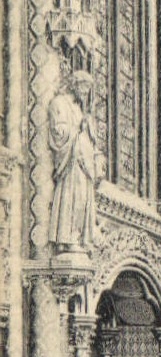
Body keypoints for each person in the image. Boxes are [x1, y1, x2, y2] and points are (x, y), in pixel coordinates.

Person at [47, 71, 97, 251]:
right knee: (72, 198)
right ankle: (67, 239)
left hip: (83, 164)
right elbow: (58, 130)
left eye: (87, 92)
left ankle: (78, 237)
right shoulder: (60, 103)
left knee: (82, 199)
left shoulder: (79, 109)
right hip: (71, 163)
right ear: (74, 85)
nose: (84, 95)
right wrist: (76, 132)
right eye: (82, 90)